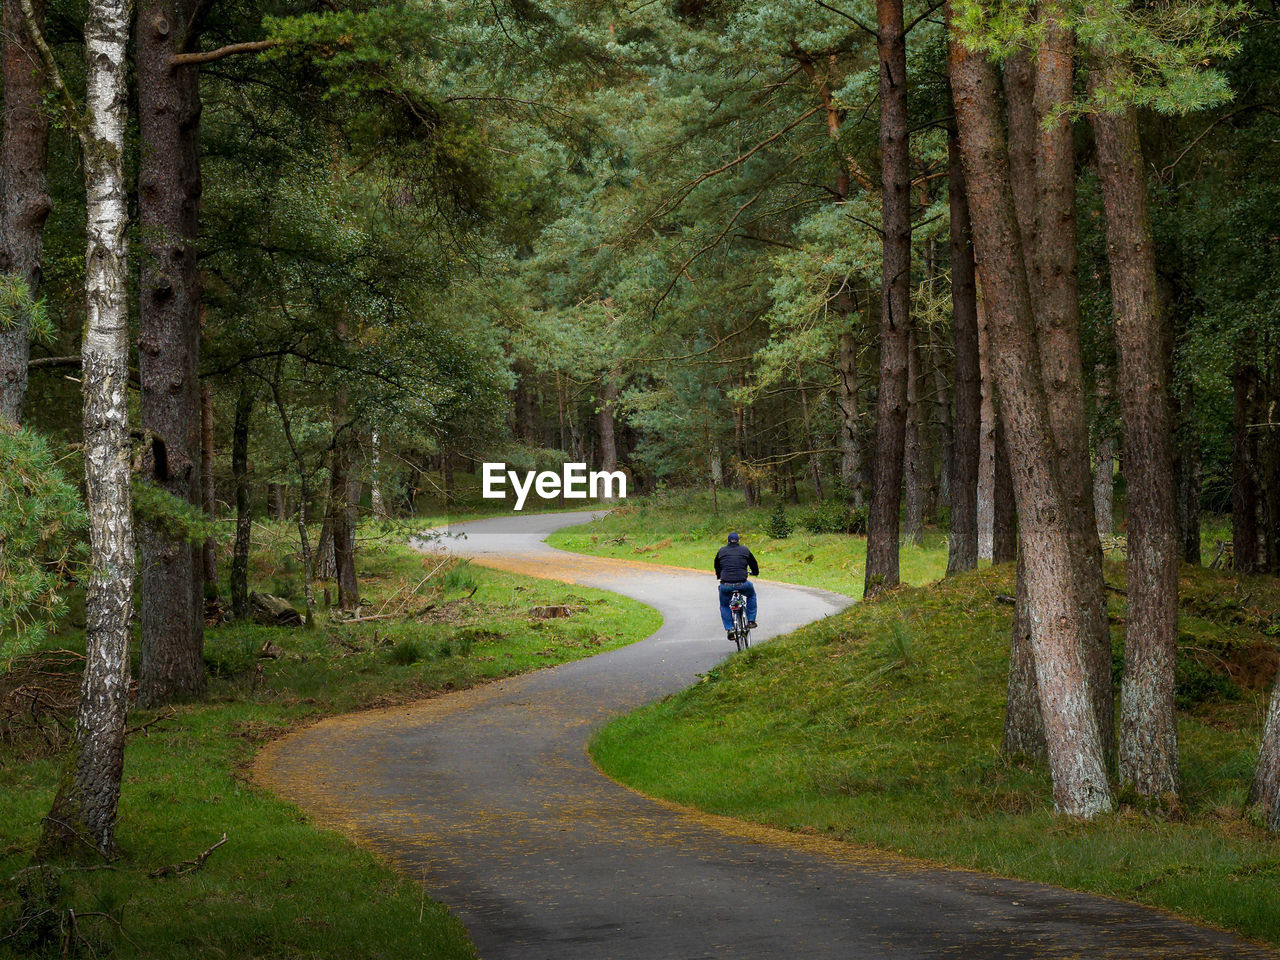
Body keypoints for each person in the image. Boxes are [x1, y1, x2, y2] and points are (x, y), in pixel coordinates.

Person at [714, 531, 758, 642]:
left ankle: (730, 629)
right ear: (739, 541)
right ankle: (751, 621)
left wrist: (720, 576)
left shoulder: (721, 551)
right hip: (742, 584)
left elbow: (716, 566)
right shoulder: (745, 550)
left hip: (726, 584)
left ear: (727, 541)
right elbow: (753, 564)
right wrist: (755, 572)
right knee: (751, 595)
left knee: (724, 605)